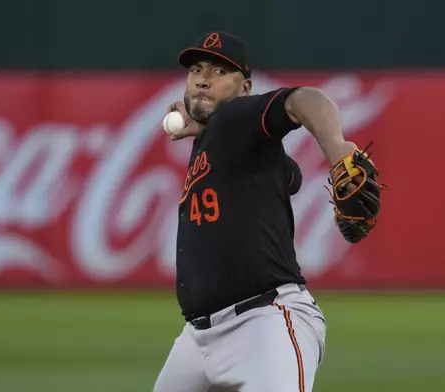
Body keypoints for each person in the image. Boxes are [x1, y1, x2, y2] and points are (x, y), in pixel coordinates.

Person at [153, 31, 361, 392]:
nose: (203, 78)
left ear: (245, 88)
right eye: (197, 69)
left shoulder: (237, 116)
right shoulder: (223, 138)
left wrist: (338, 151)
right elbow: (289, 177)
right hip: (198, 338)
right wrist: (205, 130)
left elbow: (306, 100)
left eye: (219, 71)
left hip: (265, 324)